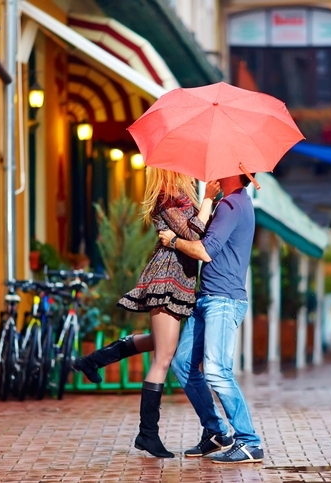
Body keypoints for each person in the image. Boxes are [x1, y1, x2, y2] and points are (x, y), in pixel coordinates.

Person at [72, 168, 220, 458]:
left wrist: (208, 205)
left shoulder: (178, 197)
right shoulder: (166, 197)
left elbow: (198, 233)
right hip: (166, 280)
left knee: (160, 342)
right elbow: (192, 234)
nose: (190, 171)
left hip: (178, 280)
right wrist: (207, 201)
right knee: (164, 357)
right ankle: (147, 434)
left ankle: (92, 360)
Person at [158, 173, 263, 464]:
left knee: (217, 370)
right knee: (183, 363)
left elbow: (204, 251)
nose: (211, 169)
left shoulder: (233, 206)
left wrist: (173, 241)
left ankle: (249, 441)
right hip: (207, 298)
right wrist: (206, 202)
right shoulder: (227, 204)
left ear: (235, 171)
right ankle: (217, 432)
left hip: (223, 301)